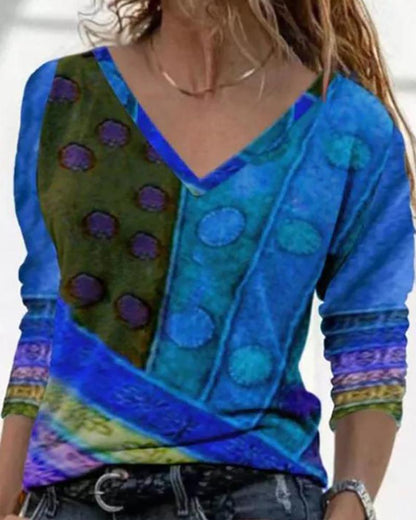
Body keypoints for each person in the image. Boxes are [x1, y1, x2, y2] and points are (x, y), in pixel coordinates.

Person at [0, 0, 415, 519]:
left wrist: (353, 502)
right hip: (72, 500)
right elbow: (47, 312)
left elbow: (367, 336)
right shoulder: (65, 95)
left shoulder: (348, 124)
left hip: (260, 496)